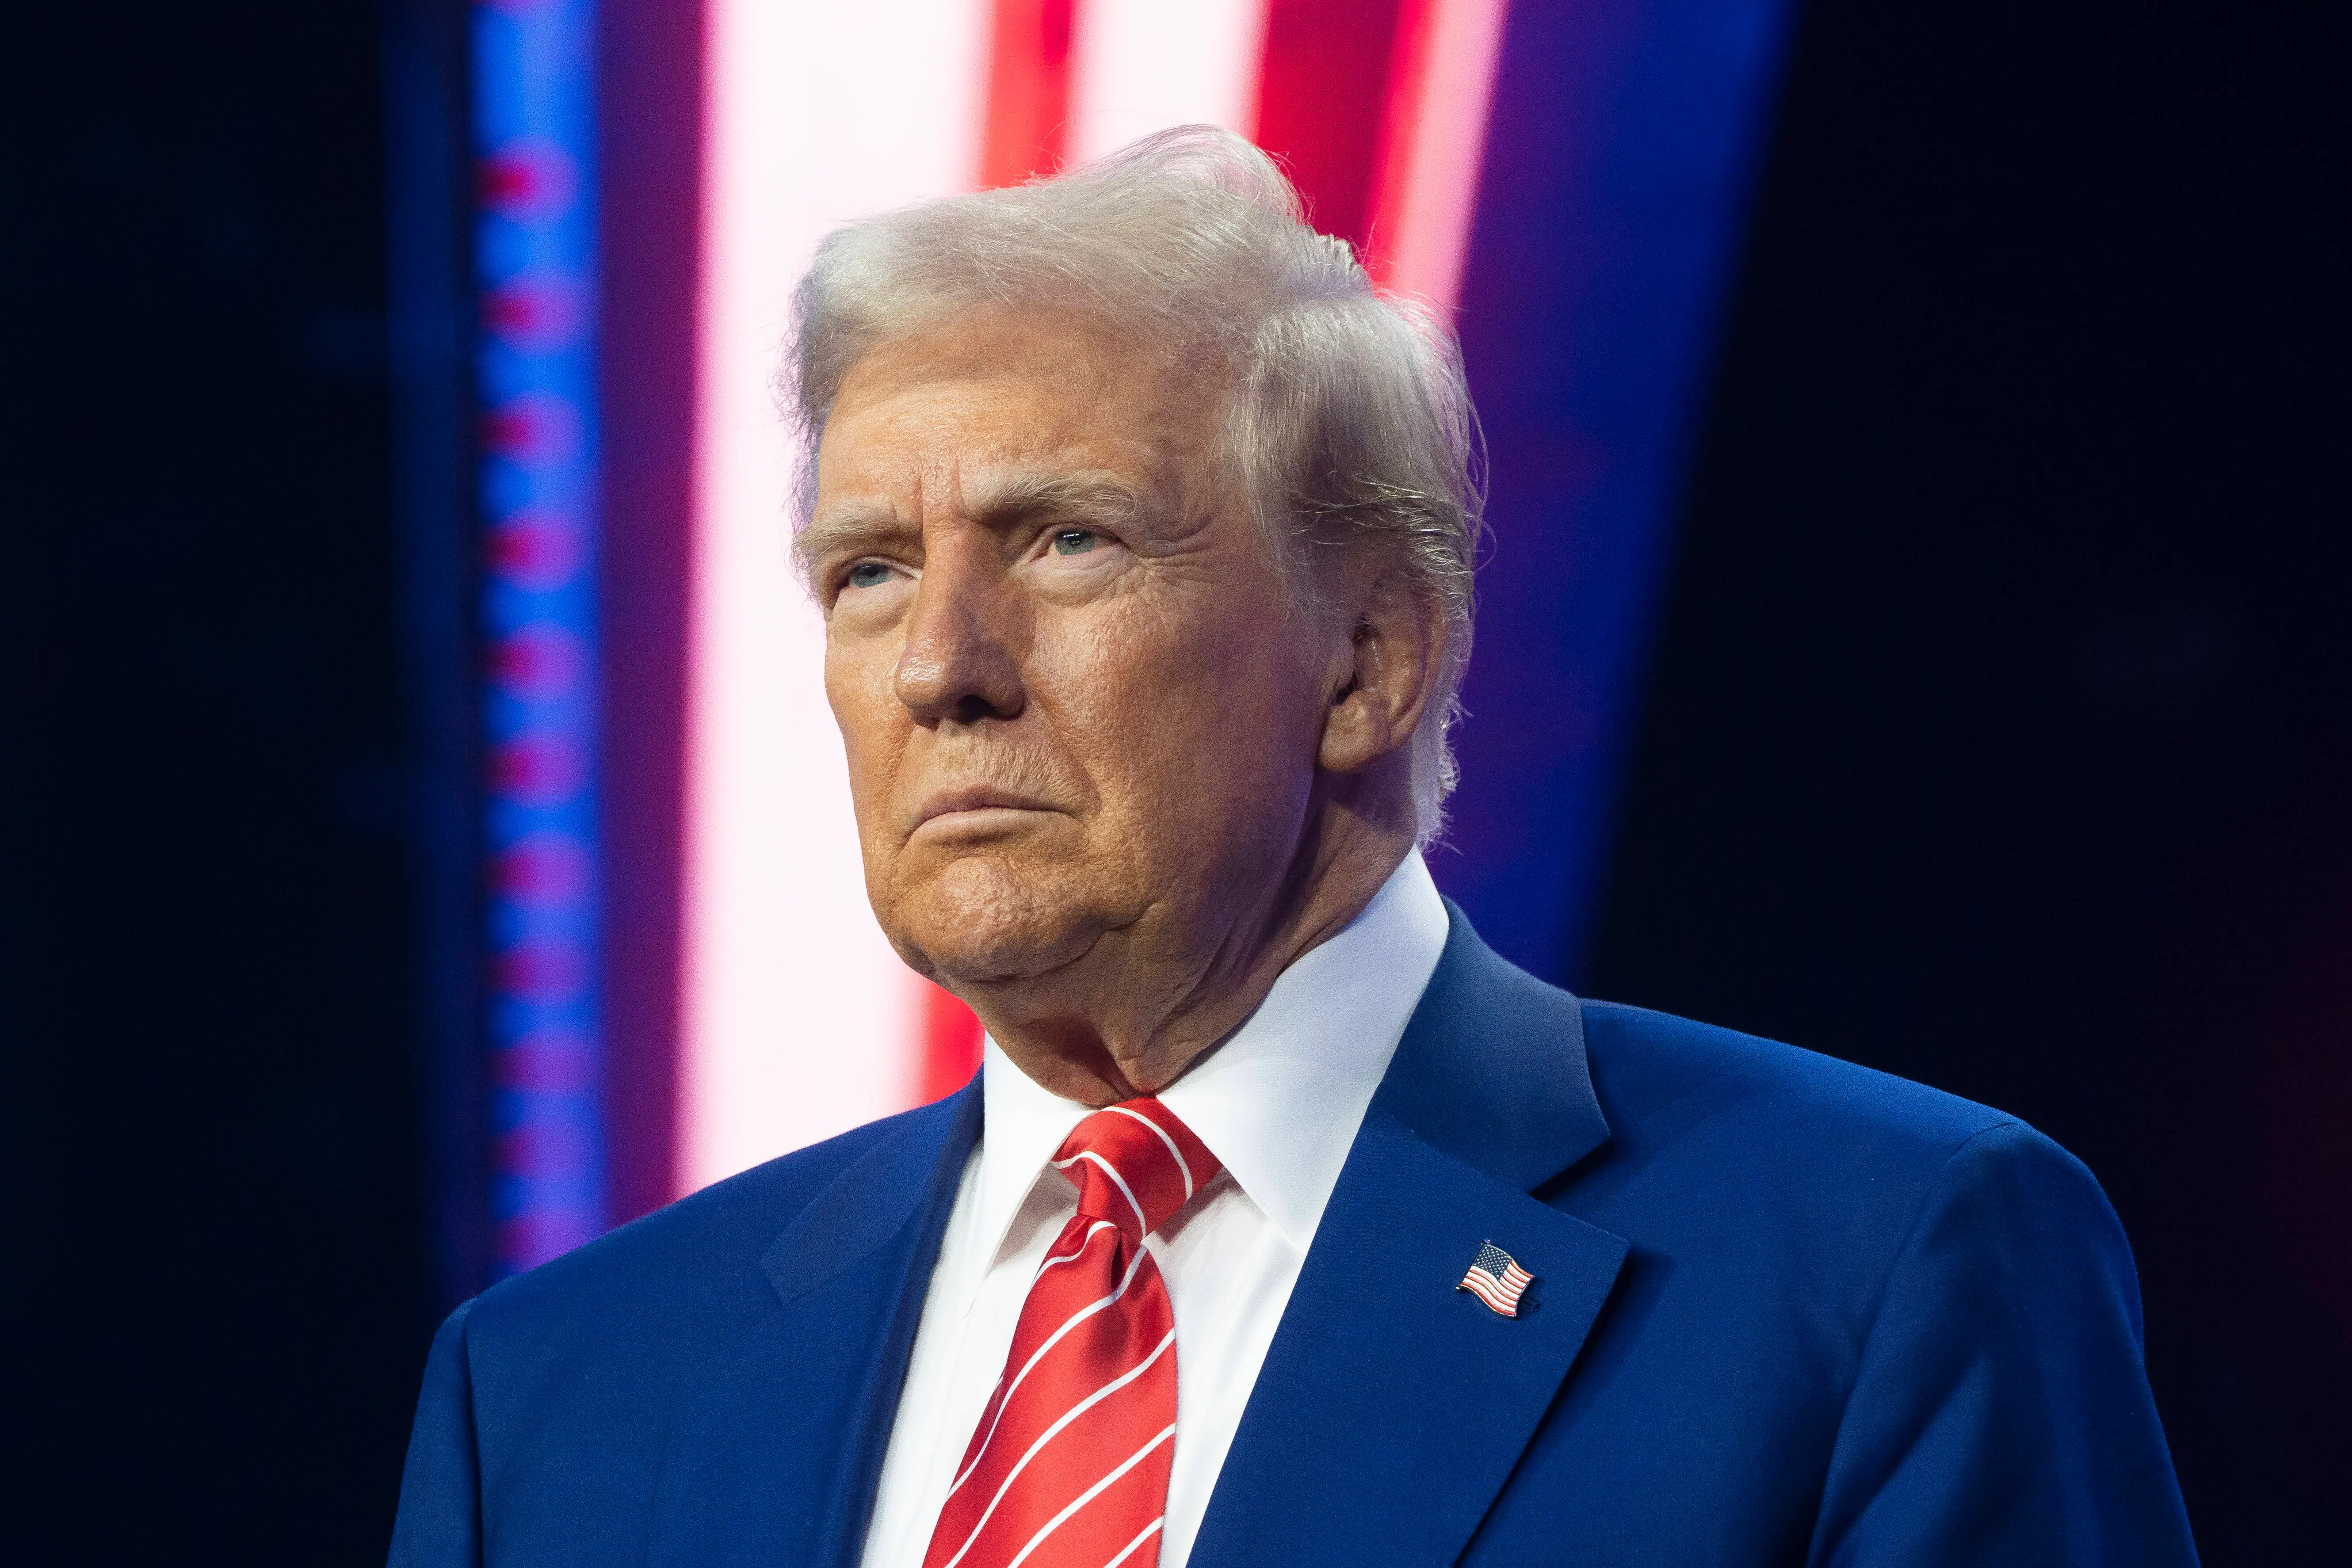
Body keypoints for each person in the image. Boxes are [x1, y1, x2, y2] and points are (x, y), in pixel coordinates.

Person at [388, 128, 2197, 1568]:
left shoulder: (1874, 1270)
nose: (941, 663)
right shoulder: (560, 1390)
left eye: (1068, 540)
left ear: (1368, 657)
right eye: (868, 571)